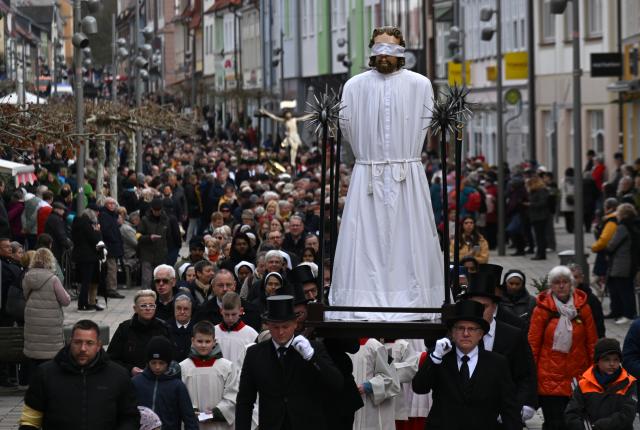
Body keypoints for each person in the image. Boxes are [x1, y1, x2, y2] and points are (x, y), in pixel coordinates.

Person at [329, 26, 444, 321]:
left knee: (409, 237)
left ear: (402, 52)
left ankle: (414, 298)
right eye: (378, 49)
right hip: (368, 172)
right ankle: (362, 299)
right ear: (371, 52)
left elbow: (425, 119)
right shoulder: (355, 86)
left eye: (391, 50)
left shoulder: (420, 85)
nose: (384, 56)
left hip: (407, 173)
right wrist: (371, 158)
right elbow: (348, 126)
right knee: (364, 238)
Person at [235, 295, 344, 430]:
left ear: (295, 324)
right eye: (275, 327)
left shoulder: (313, 349)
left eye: (285, 326)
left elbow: (337, 383)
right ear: (268, 325)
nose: (280, 332)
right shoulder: (254, 354)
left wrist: (313, 357)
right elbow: (245, 401)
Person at [411, 300, 521, 430]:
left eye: (472, 329)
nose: (466, 334)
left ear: (480, 334)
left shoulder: (497, 363)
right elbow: (419, 387)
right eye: (461, 328)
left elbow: (509, 408)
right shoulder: (440, 358)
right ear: (452, 333)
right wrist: (434, 357)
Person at [19, 320, 140, 430]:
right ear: (70, 342)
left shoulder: (118, 375)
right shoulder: (45, 373)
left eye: (89, 343)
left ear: (98, 345)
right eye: (78, 342)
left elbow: (129, 417)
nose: (83, 348)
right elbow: (30, 421)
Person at [462, 267, 538, 424]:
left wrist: (522, 405)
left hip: (502, 417)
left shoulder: (513, 334)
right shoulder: (458, 335)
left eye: (484, 306)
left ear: (494, 307)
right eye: (475, 305)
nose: (479, 311)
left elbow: (525, 373)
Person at [528, 265, 598, 430]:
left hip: (578, 377)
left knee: (576, 424)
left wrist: (594, 374)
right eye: (556, 282)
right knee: (555, 424)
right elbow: (533, 344)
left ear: (571, 284)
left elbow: (592, 343)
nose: (561, 286)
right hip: (549, 379)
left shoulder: (583, 308)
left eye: (565, 282)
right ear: (551, 286)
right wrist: (531, 376)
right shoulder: (542, 310)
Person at [565, 338, 636, 430]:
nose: (612, 364)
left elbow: (627, 414)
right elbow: (571, 413)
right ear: (597, 361)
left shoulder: (629, 383)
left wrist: (599, 426)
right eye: (607, 360)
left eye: (616, 360)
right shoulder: (584, 383)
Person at [22, 248, 70, 382]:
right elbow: (65, 301)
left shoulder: (27, 276)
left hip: (32, 321)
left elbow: (25, 295)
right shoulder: (53, 279)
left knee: (34, 355)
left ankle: (34, 386)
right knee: (50, 357)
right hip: (50, 325)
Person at [180, 321, 239, 429]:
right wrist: (191, 412)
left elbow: (233, 395)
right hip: (193, 424)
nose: (203, 345)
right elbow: (179, 396)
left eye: (207, 341)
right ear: (192, 341)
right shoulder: (183, 367)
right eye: (200, 341)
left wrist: (214, 414)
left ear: (214, 341)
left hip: (219, 425)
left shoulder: (227, 367)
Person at [132, 336, 198, 430]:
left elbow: (189, 418)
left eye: (161, 363)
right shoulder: (136, 382)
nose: (157, 367)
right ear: (148, 362)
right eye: (153, 363)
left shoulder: (177, 386)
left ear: (168, 362)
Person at [107, 289, 172, 376]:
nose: (148, 308)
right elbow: (111, 359)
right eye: (143, 306)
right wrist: (130, 369)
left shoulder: (163, 328)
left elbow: (171, 358)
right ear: (135, 309)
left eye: (152, 305)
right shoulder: (124, 328)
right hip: (129, 379)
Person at [349, 337, 401, 429]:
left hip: (369, 404)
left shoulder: (374, 345)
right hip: (350, 403)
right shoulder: (345, 346)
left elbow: (391, 378)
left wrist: (369, 386)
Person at [604, 203, 638, 324]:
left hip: (622, 262)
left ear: (623, 214)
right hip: (629, 261)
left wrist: (606, 249)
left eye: (618, 213)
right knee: (617, 287)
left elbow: (613, 244)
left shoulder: (623, 226)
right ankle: (617, 311)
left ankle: (628, 314)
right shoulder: (634, 225)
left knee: (624, 289)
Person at [71, 204, 104, 311]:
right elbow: (95, 239)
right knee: (87, 281)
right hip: (88, 256)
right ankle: (83, 303)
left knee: (85, 281)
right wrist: (98, 231)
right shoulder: (87, 224)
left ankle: (86, 302)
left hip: (80, 256)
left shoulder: (77, 222)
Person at [214, 292, 259, 368]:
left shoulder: (251, 334)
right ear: (221, 311)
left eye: (234, 314)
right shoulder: (213, 332)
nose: (230, 318)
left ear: (241, 311)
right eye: (227, 314)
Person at [138, 198, 170, 290]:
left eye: (159, 210)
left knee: (160, 279)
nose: (157, 212)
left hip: (161, 254)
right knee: (146, 279)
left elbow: (169, 237)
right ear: (151, 209)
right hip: (147, 254)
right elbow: (138, 235)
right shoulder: (145, 220)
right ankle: (145, 298)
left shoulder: (165, 219)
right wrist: (149, 238)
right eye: (155, 210)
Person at [568, 263, 605, 338]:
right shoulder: (559, 298)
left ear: (581, 278)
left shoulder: (591, 300)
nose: (572, 280)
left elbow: (599, 326)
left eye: (575, 277)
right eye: (569, 277)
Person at [98, 197, 126, 299]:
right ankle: (111, 289)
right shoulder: (105, 215)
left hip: (113, 246)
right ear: (106, 205)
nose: (112, 205)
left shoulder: (112, 215)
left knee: (111, 268)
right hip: (110, 246)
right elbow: (106, 231)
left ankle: (110, 288)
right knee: (111, 269)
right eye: (109, 204)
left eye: (113, 204)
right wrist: (114, 239)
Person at [527, 175, 550, 260]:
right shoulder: (536, 191)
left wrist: (531, 204)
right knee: (539, 236)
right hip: (537, 216)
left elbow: (542, 203)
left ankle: (541, 254)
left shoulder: (541, 191)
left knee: (540, 236)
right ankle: (540, 253)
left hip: (540, 216)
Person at [168, 293, 195, 362]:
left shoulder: (197, 328)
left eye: (186, 309)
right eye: (179, 308)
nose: (182, 312)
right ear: (174, 309)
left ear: (191, 310)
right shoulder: (165, 327)